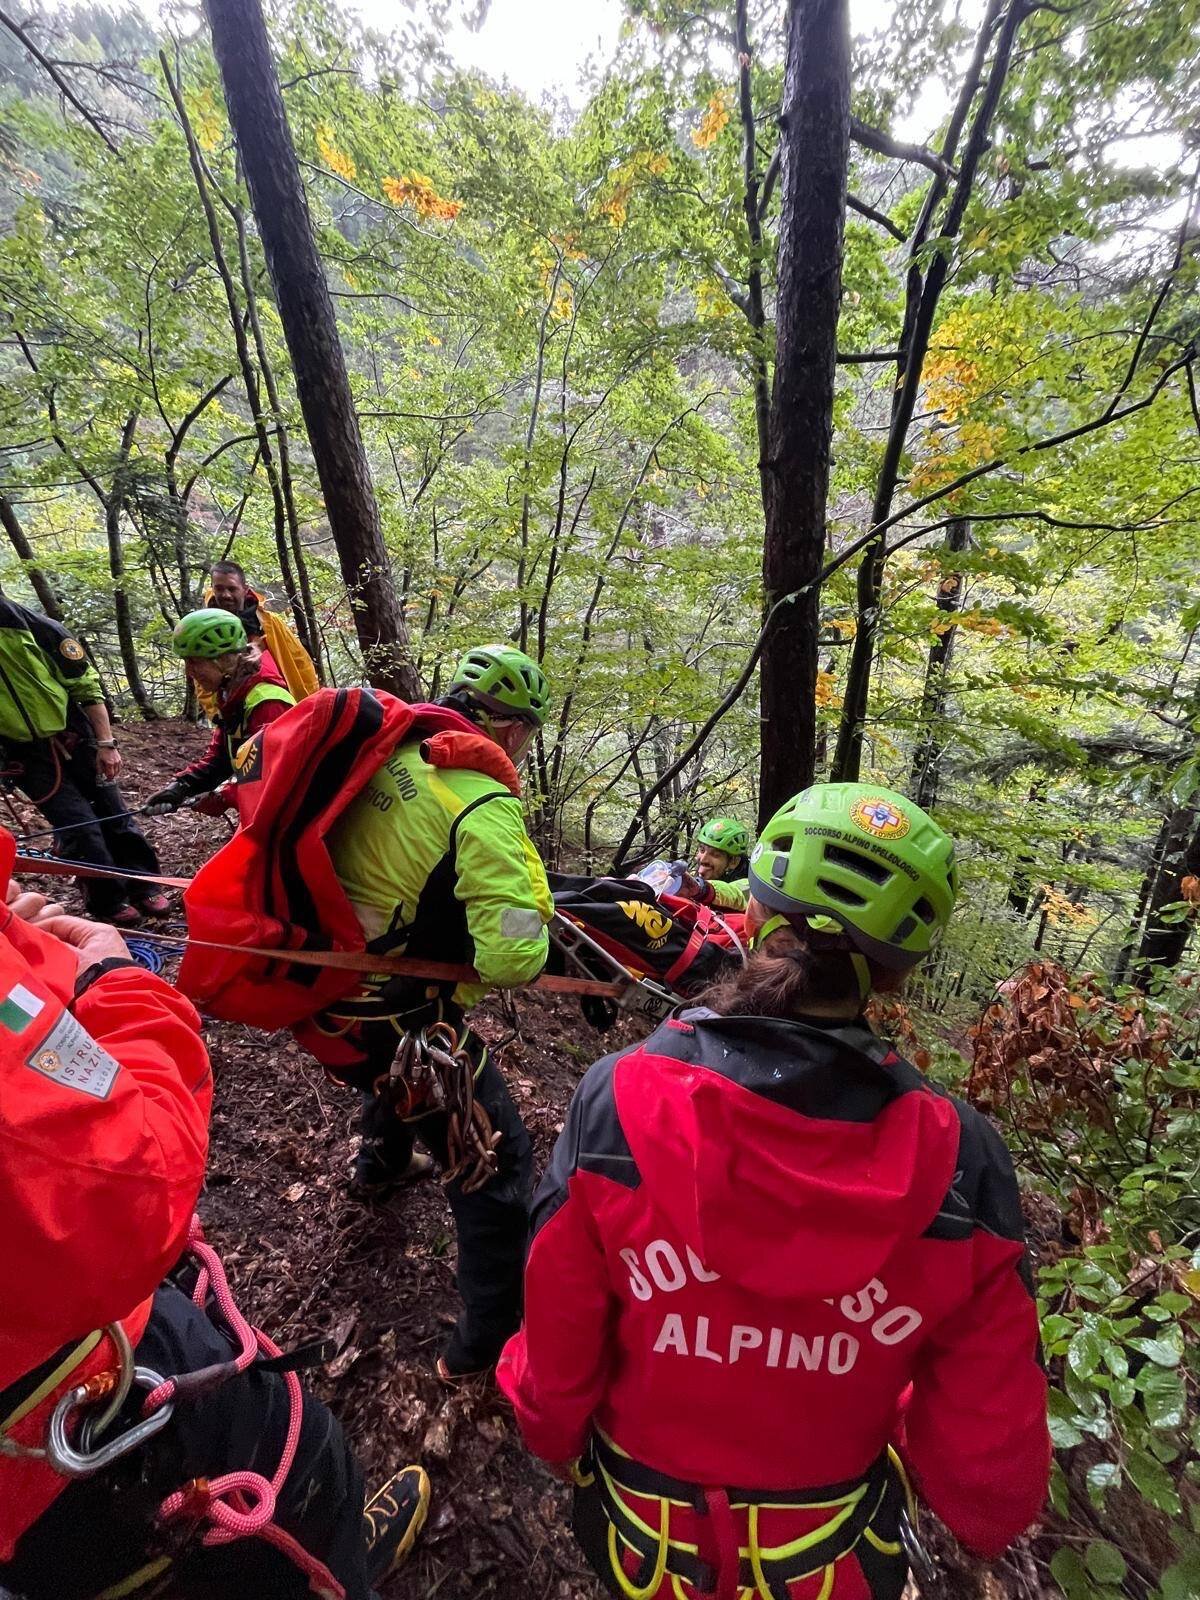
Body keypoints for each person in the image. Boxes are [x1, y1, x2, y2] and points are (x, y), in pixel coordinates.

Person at [498, 782, 1050, 1600]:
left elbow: (559, 1330)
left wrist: (546, 1427)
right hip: (827, 1555)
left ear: (752, 919)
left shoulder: (620, 1099)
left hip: (640, 1539)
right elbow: (988, 1478)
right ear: (896, 979)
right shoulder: (964, 1161)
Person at [0, 828, 430, 1600]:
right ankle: (335, 1555)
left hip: (39, 1425)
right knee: (297, 1491)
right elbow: (136, 1184)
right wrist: (117, 985)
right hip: (73, 1413)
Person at [316, 643, 555, 1379]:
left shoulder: (393, 755)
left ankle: (378, 1166)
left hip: (327, 997)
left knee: (404, 1084)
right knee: (495, 1163)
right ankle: (486, 1341)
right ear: (511, 731)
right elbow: (512, 957)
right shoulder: (482, 804)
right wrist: (532, 927)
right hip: (396, 1020)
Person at [0, 594, 167, 926]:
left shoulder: (35, 628)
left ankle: (143, 882)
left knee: (114, 813)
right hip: (25, 755)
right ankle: (107, 900)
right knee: (79, 827)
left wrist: (106, 743)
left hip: (75, 735)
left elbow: (85, 685)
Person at [145, 609, 295, 817]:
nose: (189, 672)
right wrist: (181, 787)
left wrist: (224, 797)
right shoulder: (231, 693)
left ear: (223, 659)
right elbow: (223, 756)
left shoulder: (267, 702)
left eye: (195, 662)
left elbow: (276, 778)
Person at [206, 560, 318, 711]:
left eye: (232, 589)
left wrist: (310, 704)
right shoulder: (205, 628)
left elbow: (300, 663)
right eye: (219, 589)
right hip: (231, 712)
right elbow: (199, 674)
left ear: (245, 589)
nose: (226, 595)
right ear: (212, 588)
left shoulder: (268, 623)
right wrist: (215, 714)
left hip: (275, 705)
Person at [689, 815, 752, 910]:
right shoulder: (694, 877)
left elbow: (736, 894)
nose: (703, 859)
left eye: (715, 855)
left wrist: (704, 890)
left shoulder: (751, 885)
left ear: (733, 862)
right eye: (702, 850)